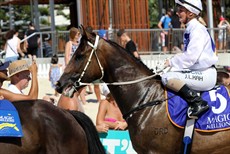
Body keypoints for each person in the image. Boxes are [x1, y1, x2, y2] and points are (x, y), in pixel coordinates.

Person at [161, 0, 218, 119]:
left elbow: (191, 57)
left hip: (205, 75)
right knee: (167, 73)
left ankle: (198, 102)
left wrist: (171, 61)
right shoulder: (191, 28)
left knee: (167, 77)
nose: (177, 13)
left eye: (181, 10)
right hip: (201, 71)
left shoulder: (197, 30)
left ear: (191, 13)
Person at [57, 27, 85, 112]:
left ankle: (82, 100)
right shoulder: (69, 43)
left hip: (79, 66)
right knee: (71, 84)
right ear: (73, 34)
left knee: (82, 84)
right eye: (77, 34)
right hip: (72, 67)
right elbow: (67, 56)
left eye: (79, 34)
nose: (78, 36)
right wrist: (69, 67)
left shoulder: (79, 43)